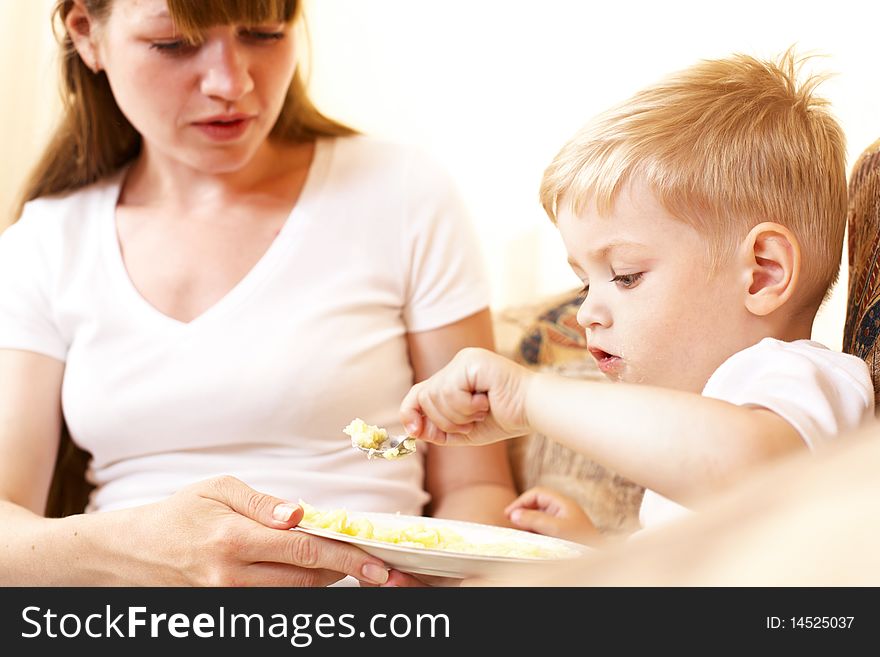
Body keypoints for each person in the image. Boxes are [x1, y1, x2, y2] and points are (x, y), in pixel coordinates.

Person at [0, 0, 515, 586]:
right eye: (175, 43)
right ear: (87, 35)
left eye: (265, 33)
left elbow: (477, 485)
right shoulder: (45, 242)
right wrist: (134, 545)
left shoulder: (399, 192)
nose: (231, 82)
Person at [398, 49, 875, 544]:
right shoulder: (704, 412)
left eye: (625, 276)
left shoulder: (800, 376)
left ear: (762, 274)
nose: (586, 313)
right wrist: (602, 550)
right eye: (586, 283)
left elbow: (749, 472)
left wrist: (529, 397)